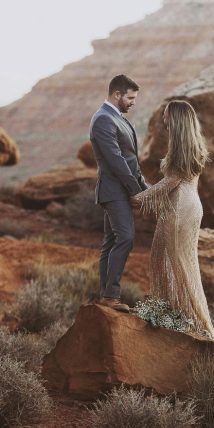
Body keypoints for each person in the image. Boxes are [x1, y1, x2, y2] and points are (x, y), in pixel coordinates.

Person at [130, 99, 214, 346]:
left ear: (177, 119)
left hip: (180, 208)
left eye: (167, 115)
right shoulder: (192, 145)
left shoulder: (180, 147)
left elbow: (170, 183)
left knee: (168, 263)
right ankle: (188, 324)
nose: (164, 119)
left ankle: (188, 328)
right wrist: (144, 189)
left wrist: (138, 198)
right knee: (184, 267)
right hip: (191, 206)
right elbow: (174, 182)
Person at [89, 74, 147, 312]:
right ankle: (111, 296)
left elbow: (132, 162)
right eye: (130, 98)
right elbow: (115, 161)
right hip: (114, 191)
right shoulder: (103, 119)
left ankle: (106, 295)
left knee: (111, 241)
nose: (133, 102)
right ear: (117, 94)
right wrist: (135, 192)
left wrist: (147, 189)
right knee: (125, 237)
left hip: (121, 189)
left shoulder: (118, 119)